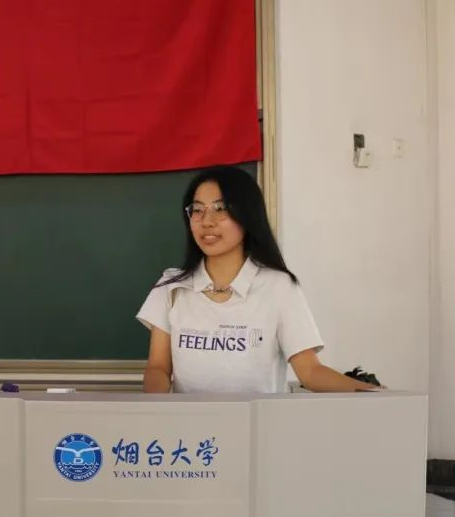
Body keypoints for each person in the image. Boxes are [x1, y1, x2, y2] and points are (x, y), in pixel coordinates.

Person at [136, 165, 384, 394]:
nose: (206, 222)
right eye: (198, 210)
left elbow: (310, 372)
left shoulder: (279, 286)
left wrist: (373, 393)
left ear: (246, 215)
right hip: (191, 425)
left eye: (220, 209)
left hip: (258, 424)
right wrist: (157, 411)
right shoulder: (171, 286)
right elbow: (158, 368)